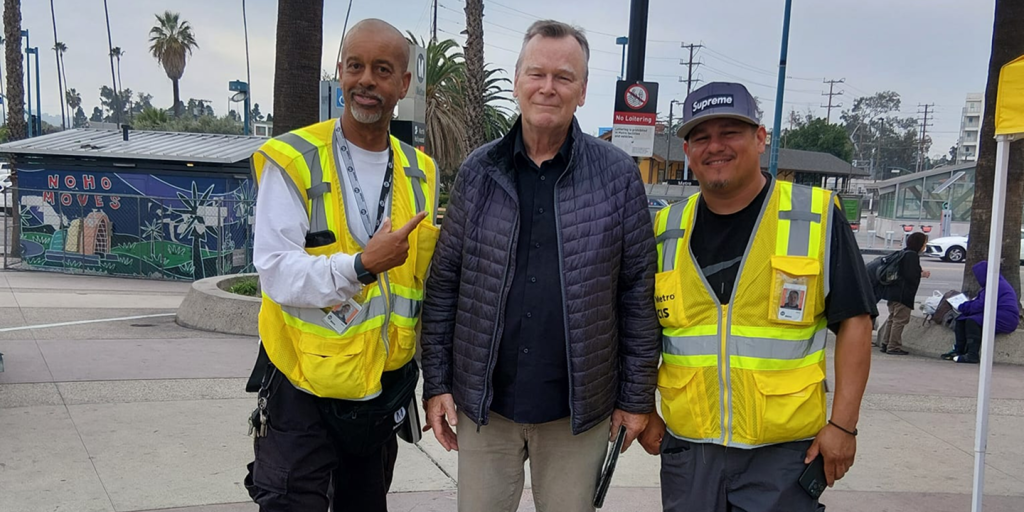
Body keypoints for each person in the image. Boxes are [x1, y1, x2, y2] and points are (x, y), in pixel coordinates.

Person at [419, 19, 660, 512]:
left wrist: (636, 397)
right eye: (537, 74)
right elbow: (444, 285)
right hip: (486, 409)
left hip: (577, 412)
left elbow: (638, 294)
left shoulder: (617, 176)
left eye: (564, 77)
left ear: (583, 91)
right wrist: (437, 383)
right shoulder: (478, 172)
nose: (548, 87)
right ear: (517, 82)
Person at [638, 82, 877, 512]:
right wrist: (642, 407)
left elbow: (856, 321)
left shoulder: (815, 215)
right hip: (689, 449)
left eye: (730, 132)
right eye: (701, 137)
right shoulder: (665, 228)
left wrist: (843, 425)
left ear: (761, 138)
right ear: (687, 150)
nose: (715, 146)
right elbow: (641, 330)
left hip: (783, 453)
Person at [243, 19, 440, 511]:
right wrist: (360, 266)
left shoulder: (422, 172)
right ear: (339, 72)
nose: (366, 80)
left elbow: (427, 286)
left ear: (404, 83)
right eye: (355, 66)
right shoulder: (295, 159)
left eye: (382, 69)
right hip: (302, 386)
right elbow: (276, 271)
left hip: (378, 392)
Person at [942, 260, 1020, 363]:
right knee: (961, 319)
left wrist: (962, 306)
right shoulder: (993, 283)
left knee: (973, 321)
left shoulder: (995, 285)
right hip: (998, 314)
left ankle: (972, 354)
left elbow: (980, 305)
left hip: (1006, 318)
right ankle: (959, 350)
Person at [876, 232, 931, 355]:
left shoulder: (903, 252)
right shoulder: (912, 256)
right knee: (899, 321)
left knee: (892, 319)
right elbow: (910, 276)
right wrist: (921, 274)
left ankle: (886, 343)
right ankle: (893, 347)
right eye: (924, 243)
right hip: (902, 294)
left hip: (892, 292)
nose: (924, 246)